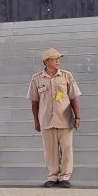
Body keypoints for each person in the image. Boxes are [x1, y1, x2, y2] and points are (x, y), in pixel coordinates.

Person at [28, 48, 82, 188]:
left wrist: (78, 117)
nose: (58, 61)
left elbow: (74, 98)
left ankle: (64, 177)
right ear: (46, 62)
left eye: (59, 58)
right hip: (46, 120)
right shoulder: (36, 79)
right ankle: (53, 176)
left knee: (67, 149)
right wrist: (36, 121)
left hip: (65, 120)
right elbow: (34, 102)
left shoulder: (66, 76)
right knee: (50, 151)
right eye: (54, 58)